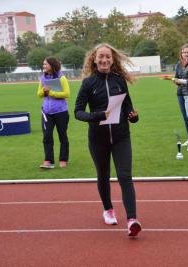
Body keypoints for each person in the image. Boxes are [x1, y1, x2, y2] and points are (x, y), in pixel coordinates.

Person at [74, 43, 141, 237]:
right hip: (98, 139)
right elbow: (78, 112)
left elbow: (128, 106)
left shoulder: (119, 80)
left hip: (121, 136)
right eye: (101, 57)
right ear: (94, 59)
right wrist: (96, 116)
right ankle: (108, 209)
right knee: (103, 175)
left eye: (108, 57)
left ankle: (132, 220)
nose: (104, 60)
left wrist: (133, 116)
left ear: (113, 60)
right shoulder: (88, 83)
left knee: (125, 176)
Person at [38, 57, 70, 169]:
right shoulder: (42, 78)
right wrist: (43, 91)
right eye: (43, 64)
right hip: (46, 112)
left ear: (52, 65)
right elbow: (39, 94)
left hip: (61, 112)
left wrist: (51, 92)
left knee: (62, 136)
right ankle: (48, 160)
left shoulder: (62, 78)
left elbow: (66, 94)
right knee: (47, 136)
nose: (44, 66)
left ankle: (63, 159)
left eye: (45, 64)